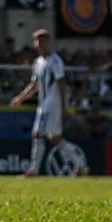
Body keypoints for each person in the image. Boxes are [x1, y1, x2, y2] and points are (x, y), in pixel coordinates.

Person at [13, 38, 71, 177]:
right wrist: (20, 98)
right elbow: (35, 85)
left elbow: (61, 83)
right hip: (43, 103)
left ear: (47, 43)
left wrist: (64, 105)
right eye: (37, 42)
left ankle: (34, 169)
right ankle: (80, 164)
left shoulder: (55, 61)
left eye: (42, 42)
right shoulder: (38, 62)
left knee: (44, 135)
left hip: (53, 103)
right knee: (47, 137)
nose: (39, 45)